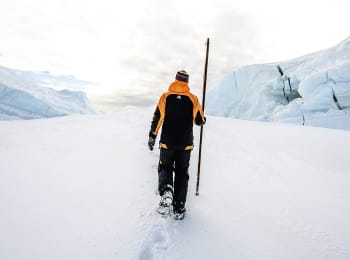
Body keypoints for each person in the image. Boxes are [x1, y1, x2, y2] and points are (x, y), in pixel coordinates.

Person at [148, 70, 206, 220]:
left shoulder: (165, 97)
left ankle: (167, 190)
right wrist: (203, 118)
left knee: (165, 167)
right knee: (182, 173)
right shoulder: (193, 99)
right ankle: (179, 207)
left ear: (175, 80)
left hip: (167, 143)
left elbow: (157, 117)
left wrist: (152, 136)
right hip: (185, 145)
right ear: (187, 82)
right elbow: (199, 120)